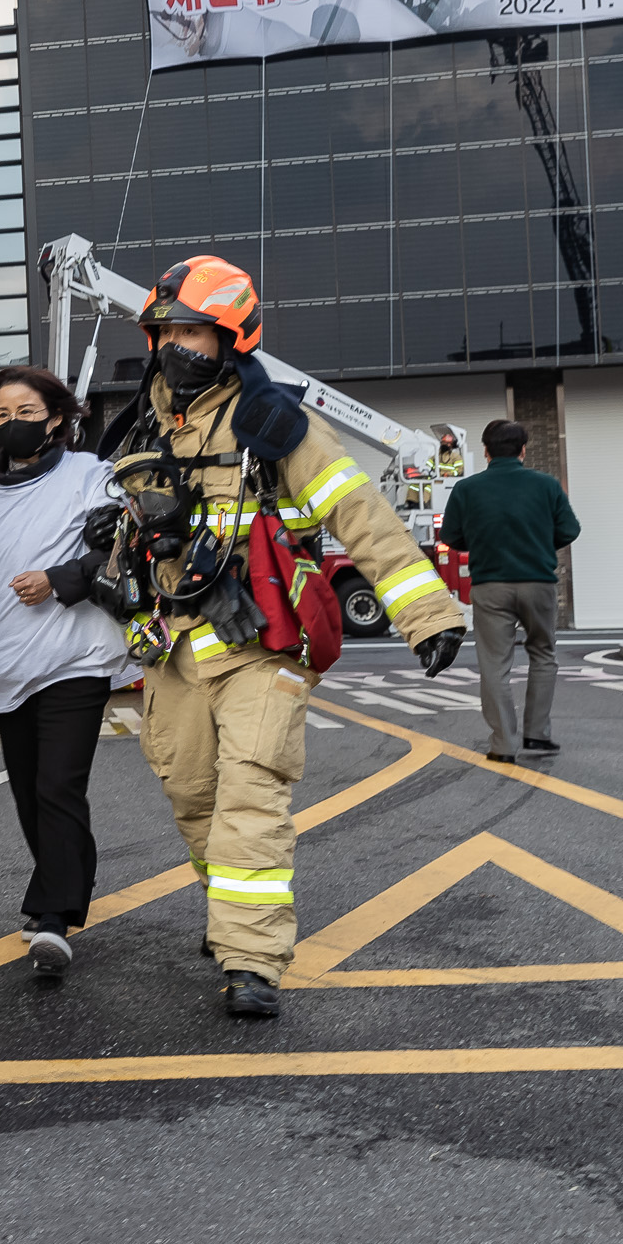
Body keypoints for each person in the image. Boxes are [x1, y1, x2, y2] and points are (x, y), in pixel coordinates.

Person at [113, 255, 465, 1020]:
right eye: (167, 329)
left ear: (232, 336)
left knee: (251, 795)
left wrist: (427, 613)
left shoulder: (276, 422)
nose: (177, 345)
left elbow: (358, 513)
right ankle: (231, 914)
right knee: (193, 796)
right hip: (171, 649)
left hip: (259, 641)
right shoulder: (140, 420)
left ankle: (251, 959)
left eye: (195, 332)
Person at [0, 366, 137, 976]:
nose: (12, 424)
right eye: (1, 415)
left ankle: (54, 919)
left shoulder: (89, 476)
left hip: (78, 657)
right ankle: (64, 880)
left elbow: (118, 545)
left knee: (57, 785)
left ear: (55, 418)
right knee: (29, 792)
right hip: (7, 664)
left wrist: (59, 581)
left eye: (26, 412)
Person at [437, 418, 580, 763]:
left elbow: (450, 537)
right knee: (543, 655)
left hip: (490, 585)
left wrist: (482, 542)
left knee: (494, 665)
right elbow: (570, 530)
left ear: (485, 452)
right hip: (538, 583)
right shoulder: (546, 485)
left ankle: (503, 743)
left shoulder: (467, 489)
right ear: (523, 450)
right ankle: (537, 735)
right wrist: (541, 543)